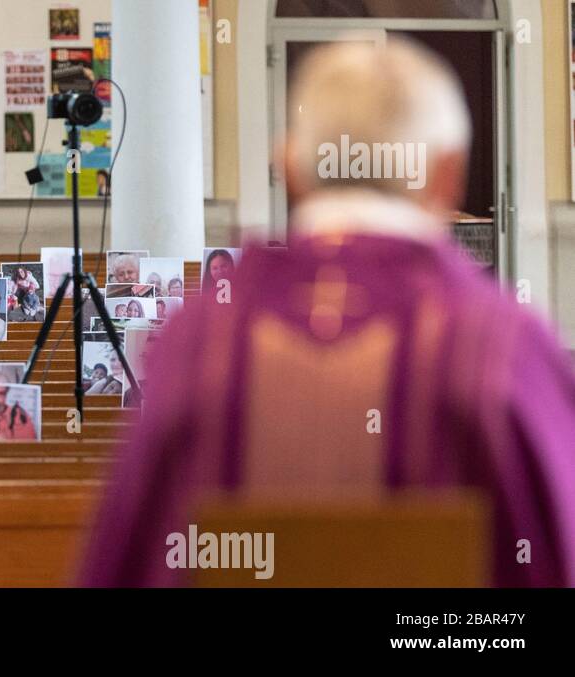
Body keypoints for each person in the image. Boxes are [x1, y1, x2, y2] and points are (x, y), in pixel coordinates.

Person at [80, 39, 575, 588]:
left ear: (288, 166)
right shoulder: (501, 346)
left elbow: (125, 563)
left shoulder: (198, 341)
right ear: (448, 174)